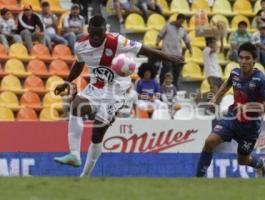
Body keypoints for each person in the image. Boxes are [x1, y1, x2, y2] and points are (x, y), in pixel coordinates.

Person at [53, 15, 184, 177]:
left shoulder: (117, 41)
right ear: (88, 30)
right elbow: (79, 64)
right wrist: (66, 82)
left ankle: (85, 176)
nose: (95, 38)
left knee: (96, 134)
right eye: (92, 34)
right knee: (75, 106)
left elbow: (144, 49)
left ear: (104, 31)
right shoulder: (80, 45)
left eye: (98, 34)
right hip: (96, 87)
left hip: (115, 92)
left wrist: (168, 57)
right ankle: (74, 155)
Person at [196, 42, 265, 178]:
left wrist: (246, 107)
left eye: (247, 58)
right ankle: (198, 179)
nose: (243, 61)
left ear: (254, 60)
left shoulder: (261, 79)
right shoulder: (235, 73)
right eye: (241, 58)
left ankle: (260, 164)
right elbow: (226, 85)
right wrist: (214, 99)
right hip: (232, 118)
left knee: (242, 160)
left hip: (250, 126)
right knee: (209, 142)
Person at [156, 14, 192, 88]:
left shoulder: (183, 29)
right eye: (180, 21)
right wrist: (157, 42)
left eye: (182, 22)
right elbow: (160, 35)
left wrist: (190, 49)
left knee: (176, 72)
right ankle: (161, 86)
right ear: (177, 19)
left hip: (177, 54)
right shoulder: (168, 26)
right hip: (166, 53)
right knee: (165, 69)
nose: (181, 23)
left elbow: (187, 41)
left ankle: (175, 87)